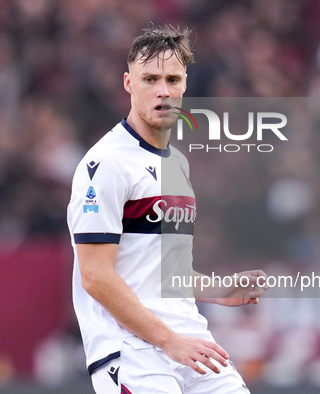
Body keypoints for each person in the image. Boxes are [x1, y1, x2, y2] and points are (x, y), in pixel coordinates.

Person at [67, 25, 267, 393]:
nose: (163, 90)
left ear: (185, 85)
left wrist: (218, 290)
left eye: (172, 79)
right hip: (132, 351)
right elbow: (95, 276)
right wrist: (169, 342)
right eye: (150, 79)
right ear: (128, 83)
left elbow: (164, 272)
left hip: (191, 342)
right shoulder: (106, 165)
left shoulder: (176, 163)